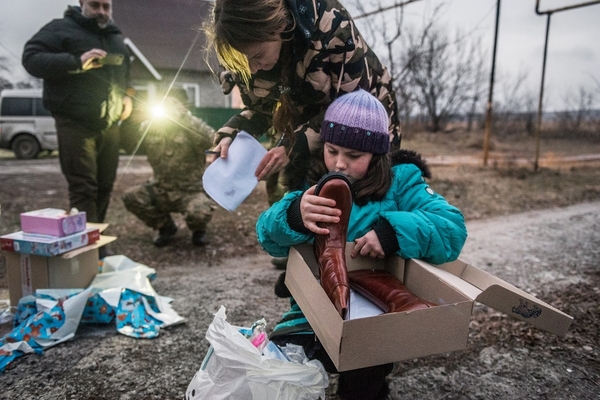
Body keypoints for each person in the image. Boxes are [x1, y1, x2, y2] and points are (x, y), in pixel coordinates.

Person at [255, 89, 468, 400]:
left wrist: (392, 233)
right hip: (309, 313)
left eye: (354, 156)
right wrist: (294, 214)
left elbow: (451, 228)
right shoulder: (312, 182)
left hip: (373, 317)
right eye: (332, 150)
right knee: (282, 374)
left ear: (377, 154)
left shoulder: (402, 182)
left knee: (364, 376)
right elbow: (267, 236)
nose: (339, 163)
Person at [203, 0, 401, 194]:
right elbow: (262, 110)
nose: (253, 69)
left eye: (257, 57)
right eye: (243, 64)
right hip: (297, 120)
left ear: (279, 27)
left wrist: (294, 145)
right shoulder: (240, 53)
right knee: (284, 185)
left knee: (364, 188)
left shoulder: (332, 26)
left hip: (362, 116)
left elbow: (352, 110)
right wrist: (233, 134)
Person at [22, 0, 133, 232]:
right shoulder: (59, 29)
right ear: (82, 3)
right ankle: (87, 246)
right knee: (83, 187)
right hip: (74, 122)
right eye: (95, 5)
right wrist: (75, 62)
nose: (102, 12)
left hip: (110, 124)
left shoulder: (115, 38)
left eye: (106, 7)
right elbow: (31, 58)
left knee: (105, 186)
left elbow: (126, 72)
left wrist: (127, 95)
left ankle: (96, 237)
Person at [121, 90, 217, 247]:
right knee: (131, 197)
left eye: (173, 104)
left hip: (191, 191)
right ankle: (165, 227)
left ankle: (199, 230)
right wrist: (133, 119)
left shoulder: (192, 126)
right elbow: (130, 145)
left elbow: (211, 139)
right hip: (162, 189)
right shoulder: (151, 127)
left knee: (198, 213)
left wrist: (185, 117)